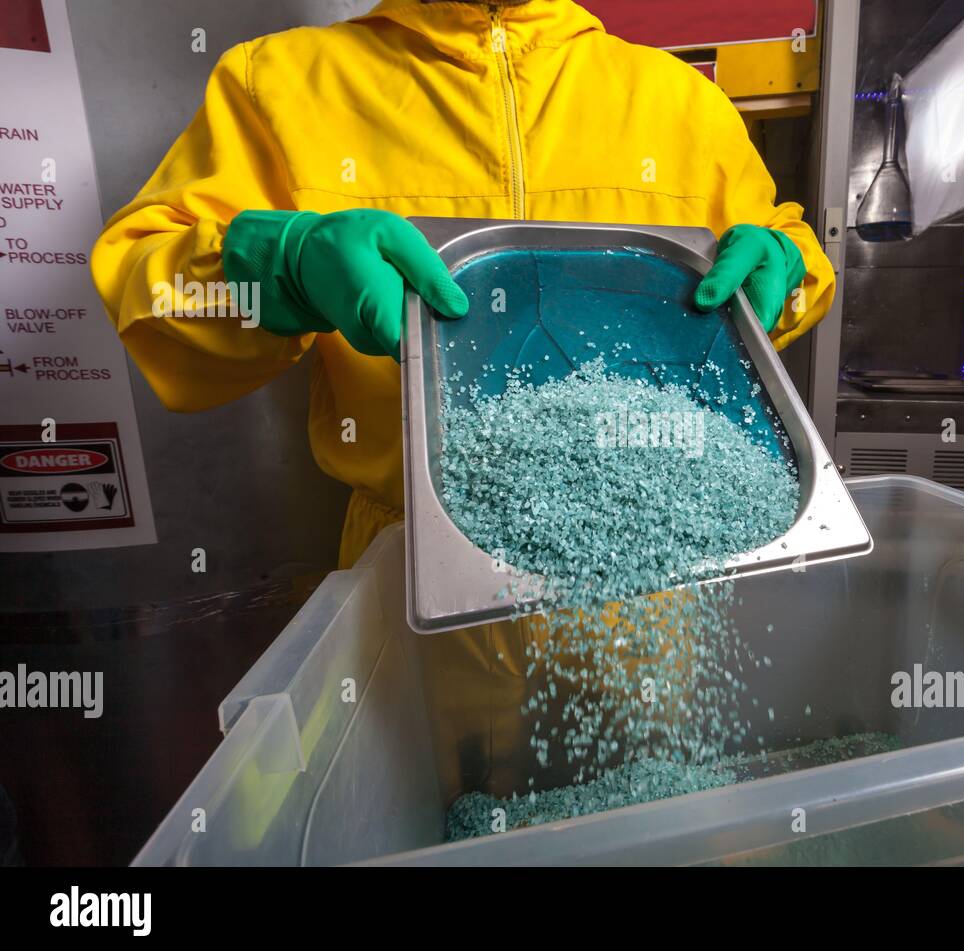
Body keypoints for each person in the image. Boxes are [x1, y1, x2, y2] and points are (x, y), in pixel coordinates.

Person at [91, 0, 835, 568]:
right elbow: (152, 292)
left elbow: (782, 262)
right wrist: (278, 266)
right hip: (413, 571)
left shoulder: (679, 104)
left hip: (663, 561)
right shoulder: (282, 86)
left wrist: (788, 276)